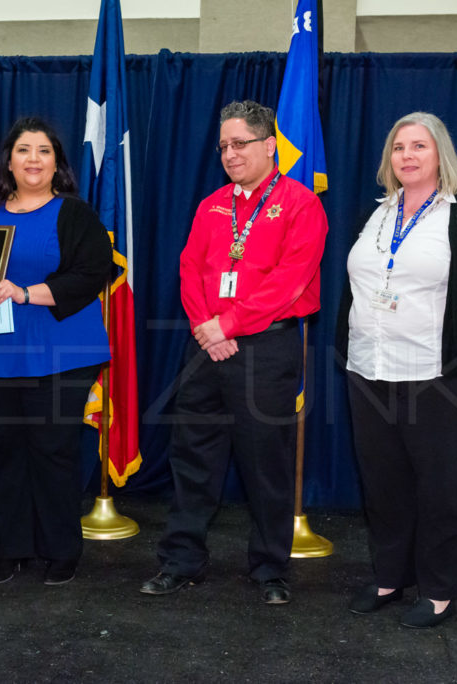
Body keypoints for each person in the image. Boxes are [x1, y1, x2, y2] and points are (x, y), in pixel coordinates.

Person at [338, 112, 457, 628]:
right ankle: (389, 578)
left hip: (439, 377)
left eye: (419, 146)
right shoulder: (373, 215)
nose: (407, 156)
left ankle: (439, 590)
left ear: (441, 155)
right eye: (398, 147)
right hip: (368, 370)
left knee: (440, 487)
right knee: (383, 483)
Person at [140, 100, 328, 605]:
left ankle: (270, 570)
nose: (229, 153)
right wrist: (207, 327)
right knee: (192, 457)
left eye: (239, 143)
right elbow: (190, 269)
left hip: (266, 347)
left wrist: (228, 323)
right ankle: (181, 561)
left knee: (265, 462)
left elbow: (290, 282)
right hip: (205, 345)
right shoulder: (212, 205)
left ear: (270, 146)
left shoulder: (300, 204)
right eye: (223, 145)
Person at [0, 117, 111, 586]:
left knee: (53, 451)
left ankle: (60, 550)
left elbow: (92, 274)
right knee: (4, 452)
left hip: (59, 353)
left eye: (43, 151)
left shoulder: (74, 214)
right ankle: (13, 548)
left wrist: (25, 292)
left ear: (56, 162)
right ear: (9, 160)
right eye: (24, 150)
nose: (33, 160)